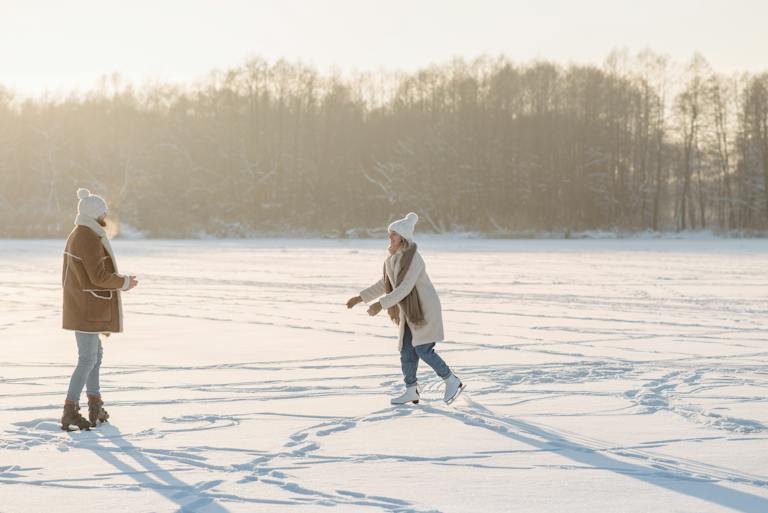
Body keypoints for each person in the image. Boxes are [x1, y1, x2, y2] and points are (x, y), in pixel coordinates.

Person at [347, 212, 464, 405]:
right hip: (409, 311)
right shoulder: (392, 259)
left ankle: (452, 380)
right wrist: (361, 297)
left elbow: (405, 287)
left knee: (423, 349)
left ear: (403, 237)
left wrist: (380, 304)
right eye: (389, 233)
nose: (389, 237)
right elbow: (385, 284)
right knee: (407, 351)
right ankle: (411, 390)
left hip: (424, 309)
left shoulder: (413, 258)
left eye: (393, 233)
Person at [60, 188, 138, 431]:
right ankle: (70, 410)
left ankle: (95, 406)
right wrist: (123, 282)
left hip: (85, 306)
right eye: (103, 212)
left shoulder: (85, 232)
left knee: (95, 357)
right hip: (85, 308)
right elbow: (98, 276)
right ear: (96, 214)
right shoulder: (86, 236)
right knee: (87, 359)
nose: (106, 215)